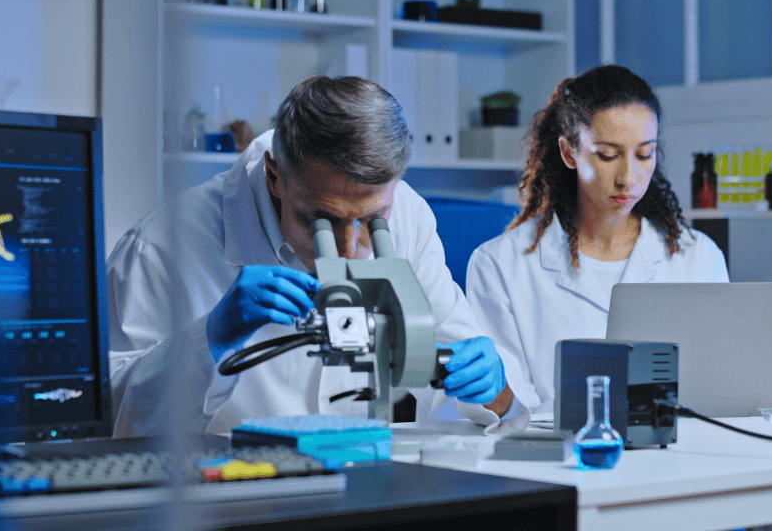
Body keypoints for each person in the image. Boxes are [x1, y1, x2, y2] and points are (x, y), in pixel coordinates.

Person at [108, 76, 512, 437]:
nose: (348, 250)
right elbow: (112, 421)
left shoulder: (407, 213)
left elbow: (485, 399)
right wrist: (211, 338)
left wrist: (491, 389)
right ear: (274, 176)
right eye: (321, 220)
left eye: (373, 221)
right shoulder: (160, 247)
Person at [465, 65, 729, 418]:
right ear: (569, 152)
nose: (628, 177)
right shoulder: (499, 265)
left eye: (644, 154)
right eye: (607, 154)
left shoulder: (697, 257)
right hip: (562, 462)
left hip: (678, 457)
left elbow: (719, 388)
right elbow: (510, 412)